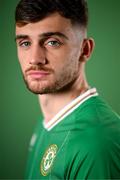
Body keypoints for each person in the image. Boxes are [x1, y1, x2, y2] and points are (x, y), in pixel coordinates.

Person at [15, 0, 120, 179]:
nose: (35, 59)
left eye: (52, 42)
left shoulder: (97, 142)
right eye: (25, 43)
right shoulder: (46, 122)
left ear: (85, 50)